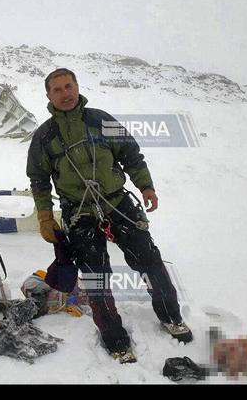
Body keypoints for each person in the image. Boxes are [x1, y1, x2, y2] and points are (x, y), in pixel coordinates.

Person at [26, 68, 191, 363]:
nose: (66, 93)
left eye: (69, 86)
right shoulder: (44, 137)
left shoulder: (101, 120)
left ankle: (171, 317)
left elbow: (130, 154)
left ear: (77, 87)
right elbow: (38, 179)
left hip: (117, 202)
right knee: (96, 278)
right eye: (58, 89)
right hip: (79, 212)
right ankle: (114, 339)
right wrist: (44, 216)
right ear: (48, 96)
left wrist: (146, 186)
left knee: (149, 260)